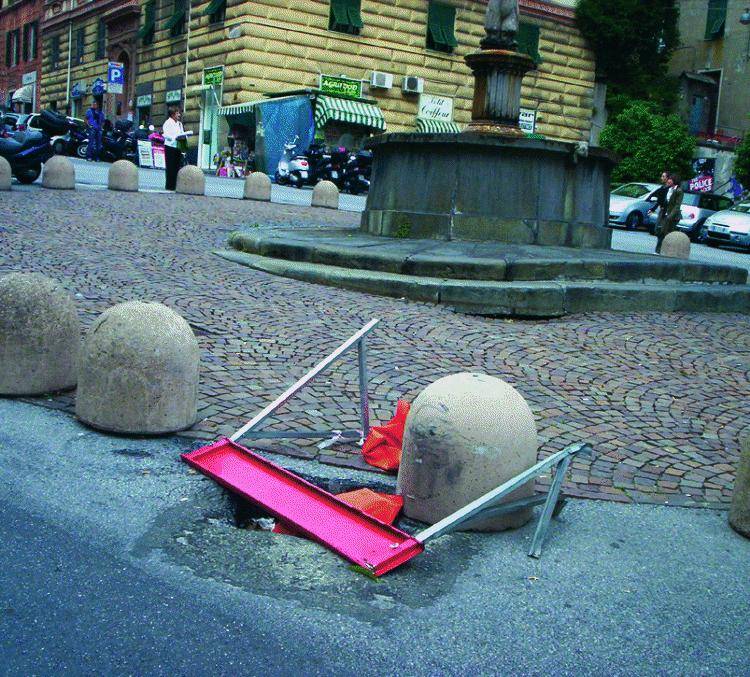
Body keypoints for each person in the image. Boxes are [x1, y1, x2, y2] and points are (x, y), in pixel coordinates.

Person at [655, 173, 684, 254]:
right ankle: (659, 250)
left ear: (675, 181)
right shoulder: (668, 189)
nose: (668, 180)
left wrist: (670, 216)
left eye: (670, 179)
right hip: (665, 213)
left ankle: (661, 250)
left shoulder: (679, 191)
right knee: (659, 231)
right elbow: (663, 199)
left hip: (672, 216)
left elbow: (677, 205)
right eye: (669, 179)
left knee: (666, 233)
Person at [162, 106, 186, 191]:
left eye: (179, 113)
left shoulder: (179, 124)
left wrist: (184, 136)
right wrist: (173, 137)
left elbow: (182, 133)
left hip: (178, 146)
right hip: (170, 146)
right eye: (177, 113)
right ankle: (169, 186)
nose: (179, 115)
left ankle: (175, 185)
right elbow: (166, 134)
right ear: (172, 114)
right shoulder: (168, 123)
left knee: (177, 166)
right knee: (170, 166)